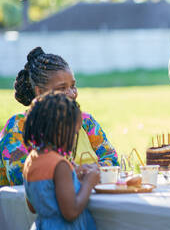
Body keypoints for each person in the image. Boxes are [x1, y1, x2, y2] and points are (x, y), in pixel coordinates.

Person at [0, 47, 118, 187]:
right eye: (62, 88)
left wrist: (93, 169)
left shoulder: (85, 122)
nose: (72, 94)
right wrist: (78, 172)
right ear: (40, 92)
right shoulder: (18, 127)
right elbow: (21, 178)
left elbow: (112, 160)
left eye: (73, 86)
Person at [23, 92, 99, 230]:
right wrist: (89, 182)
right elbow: (71, 212)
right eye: (74, 133)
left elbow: (33, 206)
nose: (75, 139)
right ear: (60, 132)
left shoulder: (31, 160)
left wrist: (73, 178)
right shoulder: (60, 164)